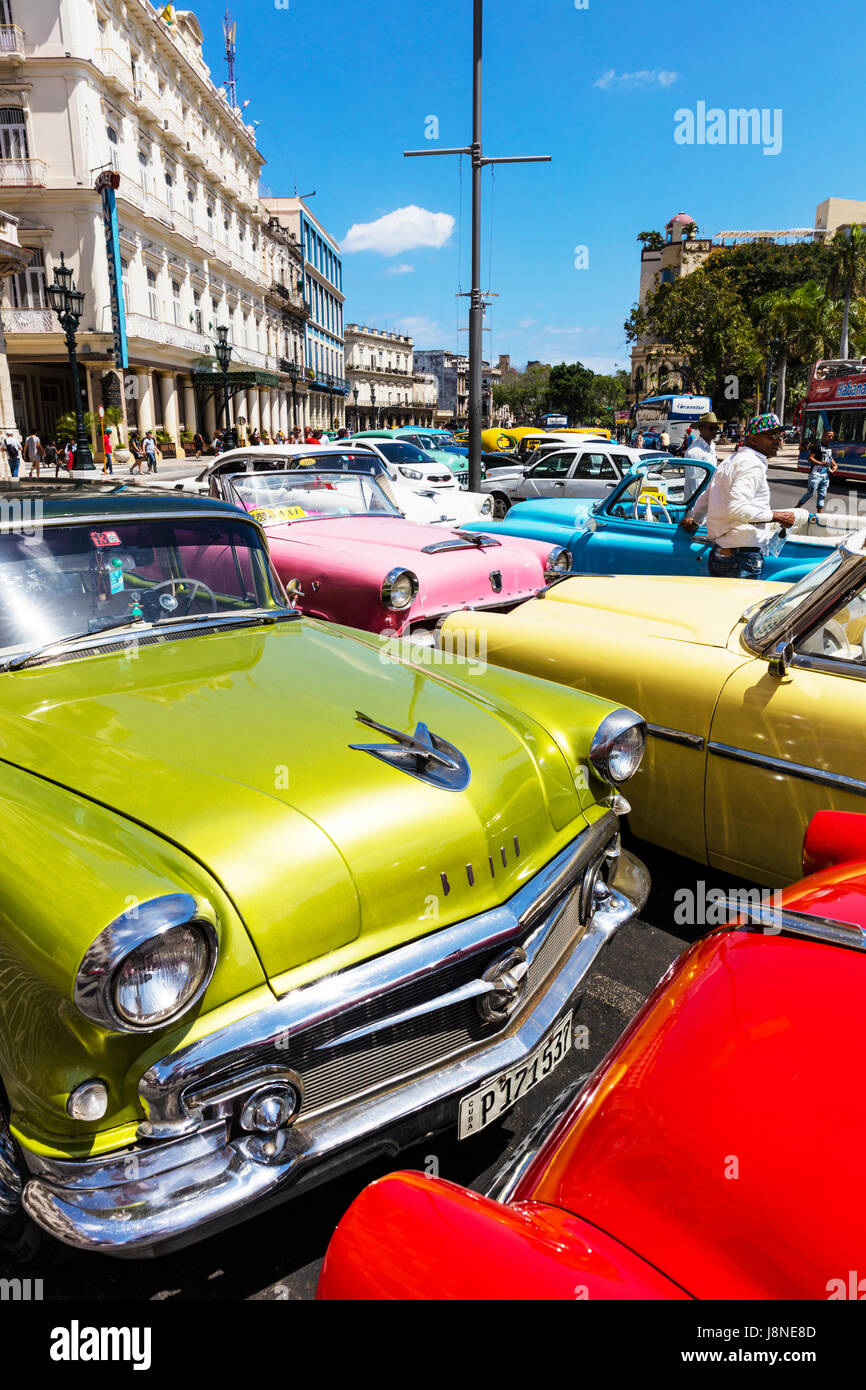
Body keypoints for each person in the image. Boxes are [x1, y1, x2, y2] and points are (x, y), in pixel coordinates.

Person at [681, 413, 795, 578]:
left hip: (724, 553)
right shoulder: (752, 464)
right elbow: (737, 509)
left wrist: (696, 520)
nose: (779, 441)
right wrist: (777, 516)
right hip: (741, 557)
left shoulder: (731, 460)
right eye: (773, 435)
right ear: (754, 439)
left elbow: (707, 495)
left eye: (781, 436)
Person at [797, 430, 837, 513]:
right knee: (810, 494)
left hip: (825, 476)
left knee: (822, 496)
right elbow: (810, 458)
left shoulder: (828, 446)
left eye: (832, 436)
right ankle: (796, 508)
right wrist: (821, 463)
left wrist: (835, 465)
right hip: (815, 475)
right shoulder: (817, 445)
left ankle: (820, 516)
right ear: (823, 436)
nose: (831, 438)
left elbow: (829, 457)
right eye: (829, 436)